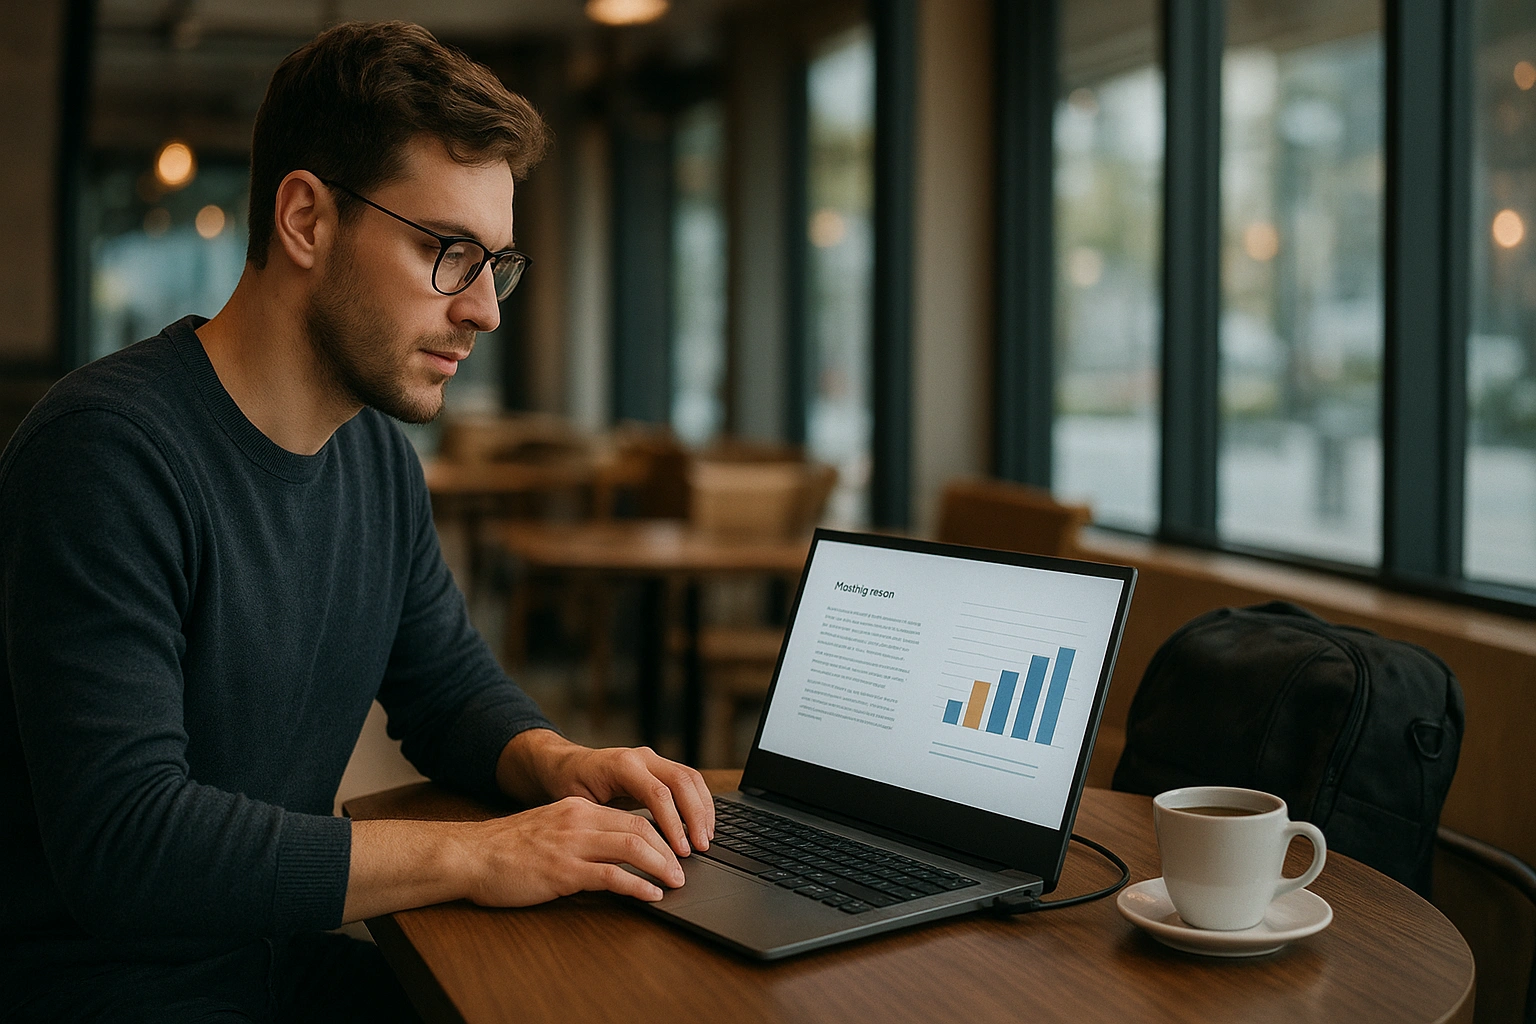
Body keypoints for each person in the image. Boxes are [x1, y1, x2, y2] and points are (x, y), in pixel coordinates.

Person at [0, 21, 713, 1023]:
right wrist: (478, 852)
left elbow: (446, 687)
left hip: (268, 968)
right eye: (447, 252)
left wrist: (561, 764)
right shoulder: (106, 456)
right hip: (107, 993)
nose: (485, 312)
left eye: (495, 263)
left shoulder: (374, 458)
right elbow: (131, 844)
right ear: (305, 219)